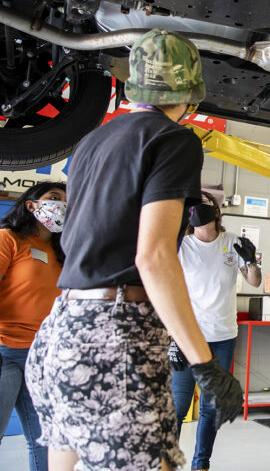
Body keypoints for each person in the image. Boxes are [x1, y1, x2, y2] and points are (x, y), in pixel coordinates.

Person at [25, 29, 243, 471]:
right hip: (116, 332)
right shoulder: (173, 139)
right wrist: (204, 363)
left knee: (64, 458)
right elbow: (154, 256)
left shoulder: (91, 142)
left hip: (61, 330)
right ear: (191, 90)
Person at [170, 190, 262, 471]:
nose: (198, 208)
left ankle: (201, 464)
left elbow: (255, 282)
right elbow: (169, 291)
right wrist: (171, 337)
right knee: (179, 405)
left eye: (204, 203)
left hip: (222, 336)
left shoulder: (232, 242)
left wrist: (251, 261)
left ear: (216, 211)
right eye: (193, 205)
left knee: (211, 407)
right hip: (188, 335)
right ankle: (166, 463)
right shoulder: (181, 245)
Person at [0, 181, 66, 471]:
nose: (61, 205)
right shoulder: (8, 238)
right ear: (31, 205)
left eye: (66, 200)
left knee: (43, 440)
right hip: (4, 352)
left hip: (40, 357)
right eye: (54, 198)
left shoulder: (61, 253)